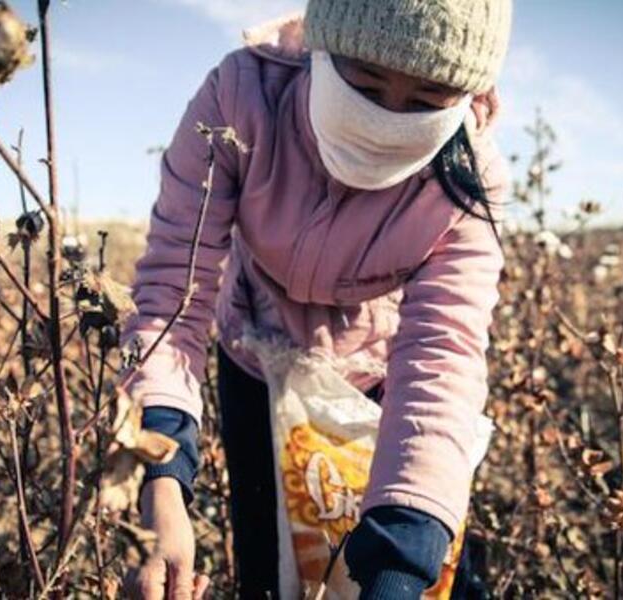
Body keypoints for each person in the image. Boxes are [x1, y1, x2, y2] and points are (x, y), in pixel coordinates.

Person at [121, 0, 513, 598]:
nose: (386, 120)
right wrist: (162, 482)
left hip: (379, 382)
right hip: (254, 360)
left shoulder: (468, 181)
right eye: (366, 85)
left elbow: (443, 359)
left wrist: (400, 561)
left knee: (414, 559)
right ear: (319, 51)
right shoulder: (241, 99)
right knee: (270, 566)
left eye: (426, 101)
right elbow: (171, 294)